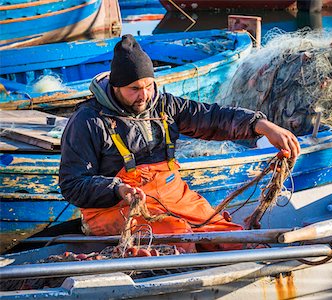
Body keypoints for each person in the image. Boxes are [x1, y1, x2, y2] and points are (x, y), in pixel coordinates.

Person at [59, 34, 300, 253]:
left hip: (176, 200)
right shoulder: (88, 121)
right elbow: (72, 184)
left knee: (233, 238)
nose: (143, 96)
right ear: (115, 87)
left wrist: (261, 125)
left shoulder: (165, 105)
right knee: (178, 236)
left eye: (148, 86)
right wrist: (116, 189)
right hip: (117, 210)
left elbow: (212, 118)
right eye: (134, 89)